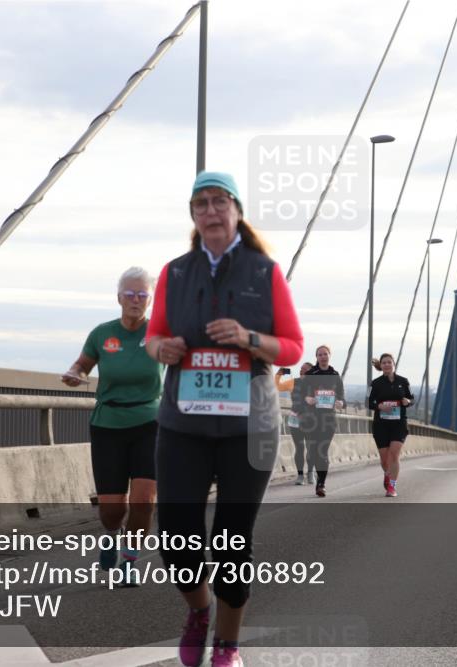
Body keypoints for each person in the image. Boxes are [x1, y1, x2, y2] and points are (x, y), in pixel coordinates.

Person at [145, 171, 304, 667]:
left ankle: (228, 645)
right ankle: (199, 611)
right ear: (193, 215)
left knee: (232, 545)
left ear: (236, 210)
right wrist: (162, 349)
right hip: (183, 426)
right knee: (176, 541)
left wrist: (248, 338)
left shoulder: (265, 272)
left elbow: (293, 348)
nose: (211, 211)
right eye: (201, 204)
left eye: (219, 201)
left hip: (248, 429)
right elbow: (152, 337)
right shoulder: (174, 273)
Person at [62, 266, 161, 586]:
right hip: (108, 425)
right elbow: (82, 365)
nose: (136, 300)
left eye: (142, 295)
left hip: (150, 423)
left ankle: (129, 561)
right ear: (119, 298)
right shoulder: (102, 334)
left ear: (150, 299)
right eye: (130, 294)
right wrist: (75, 374)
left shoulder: (160, 333)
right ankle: (111, 533)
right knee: (112, 510)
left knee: (144, 501)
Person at [368, 353, 413, 497]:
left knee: (394, 455)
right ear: (381, 366)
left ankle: (392, 486)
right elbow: (369, 402)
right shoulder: (375, 383)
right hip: (381, 425)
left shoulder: (403, 381)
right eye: (384, 363)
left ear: (394, 364)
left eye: (389, 362)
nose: (387, 365)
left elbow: (411, 398)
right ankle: (387, 473)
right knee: (384, 459)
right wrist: (379, 406)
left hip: (399, 424)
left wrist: (407, 401)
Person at [304, 345, 345, 497]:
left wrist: (340, 402)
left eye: (325, 354)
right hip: (312, 419)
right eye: (320, 354)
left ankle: (321, 484)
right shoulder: (310, 374)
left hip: (328, 420)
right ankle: (318, 476)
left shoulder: (335, 375)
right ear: (316, 357)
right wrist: (307, 399)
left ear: (329, 355)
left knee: (322, 451)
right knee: (313, 452)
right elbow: (300, 394)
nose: (323, 357)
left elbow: (341, 396)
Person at [276, 363, 314, 484]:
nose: (302, 370)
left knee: (311, 448)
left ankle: (310, 473)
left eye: (305, 369)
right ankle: (300, 475)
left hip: (310, 420)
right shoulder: (293, 382)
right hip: (295, 419)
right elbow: (278, 386)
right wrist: (279, 374)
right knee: (299, 448)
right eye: (301, 368)